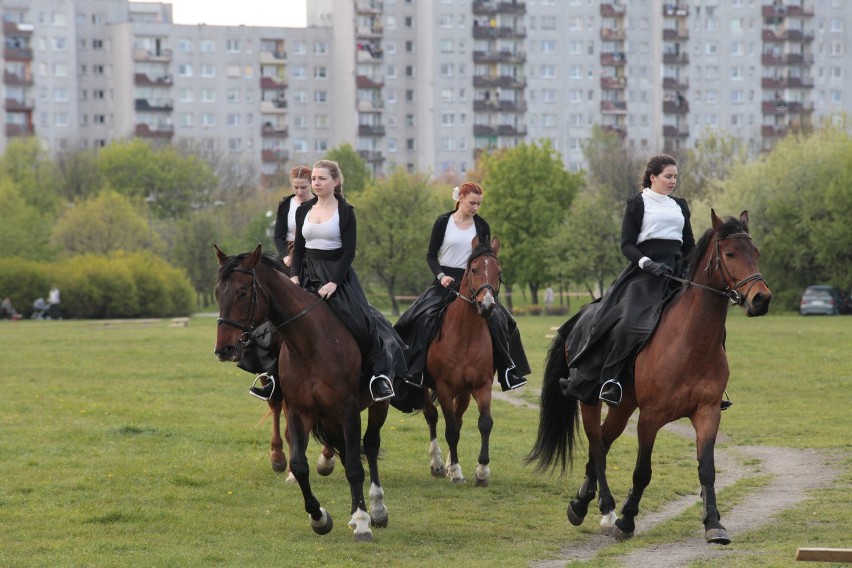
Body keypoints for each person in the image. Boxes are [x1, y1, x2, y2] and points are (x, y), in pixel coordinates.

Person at [560, 154, 696, 408]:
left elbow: (689, 244)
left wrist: (690, 268)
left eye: (675, 177)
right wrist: (647, 263)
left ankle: (709, 385)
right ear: (653, 177)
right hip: (644, 273)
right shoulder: (637, 204)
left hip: (677, 273)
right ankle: (611, 381)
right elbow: (626, 244)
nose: (673, 181)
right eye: (668, 176)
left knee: (704, 320)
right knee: (628, 325)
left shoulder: (680, 205)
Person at [287, 159, 406, 402]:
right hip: (307, 272)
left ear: (336, 182)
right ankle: (272, 377)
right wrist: (294, 276)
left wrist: (333, 282)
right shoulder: (302, 210)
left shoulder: (345, 211)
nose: (316, 183)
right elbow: (298, 249)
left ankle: (377, 377)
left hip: (337, 275)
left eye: (322, 179)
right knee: (278, 321)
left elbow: (348, 252)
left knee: (361, 322)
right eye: (314, 179)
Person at [394, 182, 530, 394]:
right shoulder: (443, 222)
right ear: (461, 199)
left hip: (475, 282)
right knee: (417, 318)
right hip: (445, 280)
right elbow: (431, 255)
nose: (475, 208)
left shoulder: (482, 225)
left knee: (504, 321)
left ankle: (508, 370)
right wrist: (441, 276)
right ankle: (415, 371)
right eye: (472, 203)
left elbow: (485, 257)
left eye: (478, 204)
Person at [247, 166, 313, 400]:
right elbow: (278, 234)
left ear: (312, 184)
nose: (300, 191)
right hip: (287, 258)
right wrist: (285, 253)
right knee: (265, 314)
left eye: (303, 187)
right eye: (295, 187)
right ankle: (271, 378)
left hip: (315, 258)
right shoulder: (286, 204)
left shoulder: (322, 204)